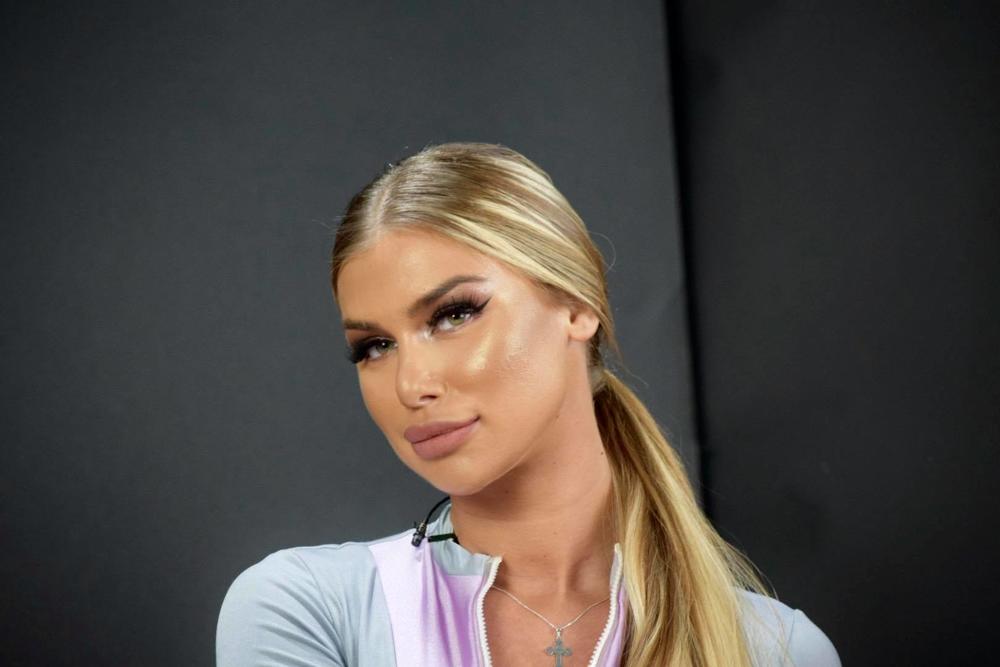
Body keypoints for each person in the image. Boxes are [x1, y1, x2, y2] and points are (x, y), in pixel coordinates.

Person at [216, 142, 841, 666]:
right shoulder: (307, 611)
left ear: (576, 306)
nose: (411, 385)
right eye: (374, 346)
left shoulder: (774, 649)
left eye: (453, 314)